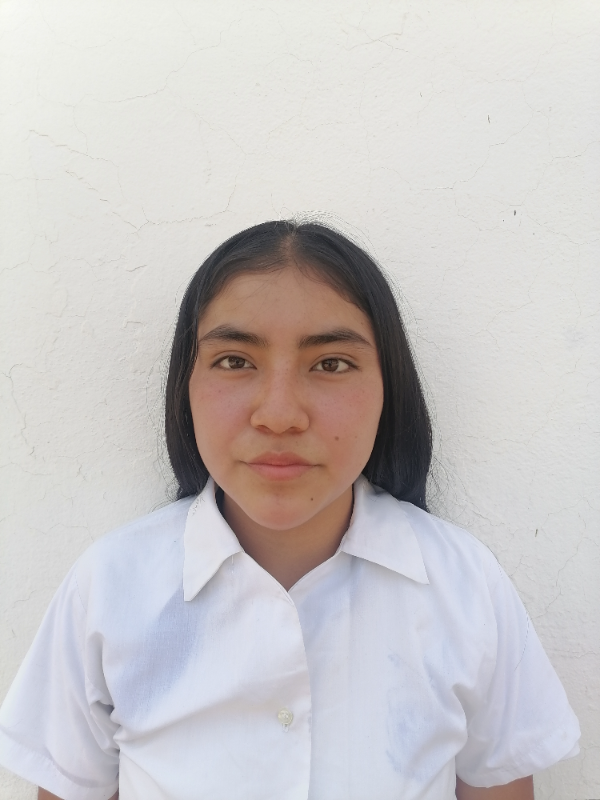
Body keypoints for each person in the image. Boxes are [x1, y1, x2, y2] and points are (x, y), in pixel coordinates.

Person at [0, 221, 580, 799]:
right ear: (185, 384)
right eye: (235, 361)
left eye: (331, 363)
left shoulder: (465, 586)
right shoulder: (109, 587)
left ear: (389, 387)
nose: (279, 415)